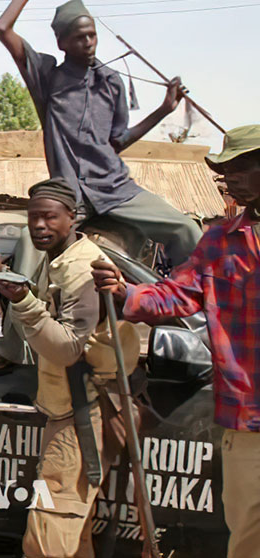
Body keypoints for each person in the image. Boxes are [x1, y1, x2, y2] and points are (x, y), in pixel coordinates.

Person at [0, 0, 203, 372]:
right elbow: (3, 29)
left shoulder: (111, 82)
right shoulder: (46, 76)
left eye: (93, 35)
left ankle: (199, 317)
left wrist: (164, 110)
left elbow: (117, 140)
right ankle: (11, 344)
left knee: (186, 229)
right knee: (28, 252)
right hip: (69, 196)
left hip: (115, 188)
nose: (90, 43)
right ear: (61, 41)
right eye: (80, 37)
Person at [91, 125, 260, 558]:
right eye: (226, 169)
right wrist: (125, 292)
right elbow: (176, 294)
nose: (229, 177)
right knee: (249, 534)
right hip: (249, 421)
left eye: (241, 166)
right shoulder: (220, 241)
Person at [0, 178, 139, 558]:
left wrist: (23, 302)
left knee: (49, 527)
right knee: (73, 530)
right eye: (33, 219)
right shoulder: (58, 259)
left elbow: (68, 350)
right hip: (68, 409)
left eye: (49, 217)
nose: (39, 226)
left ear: (71, 217)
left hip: (83, 412)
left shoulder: (83, 269)